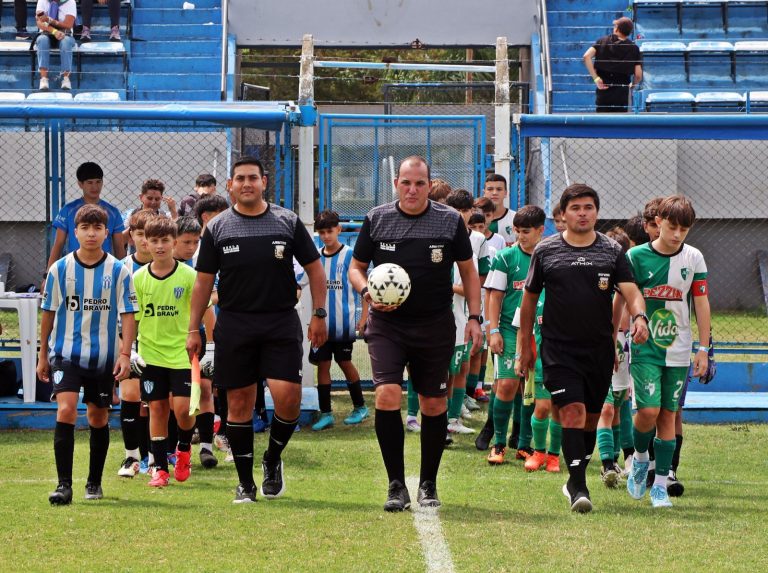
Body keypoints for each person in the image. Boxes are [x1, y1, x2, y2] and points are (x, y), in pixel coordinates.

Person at [187, 156, 327, 504]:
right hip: (235, 324)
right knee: (238, 403)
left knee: (289, 400)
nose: (246, 184)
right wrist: (193, 328)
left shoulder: (287, 221)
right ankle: (245, 482)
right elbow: (203, 284)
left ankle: (272, 458)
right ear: (231, 185)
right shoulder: (217, 228)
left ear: (264, 182)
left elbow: (315, 270)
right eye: (240, 179)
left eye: (253, 178)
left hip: (280, 321)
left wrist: (319, 314)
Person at [348, 155, 483, 511]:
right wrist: (367, 293)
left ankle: (427, 483)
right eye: (406, 183)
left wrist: (474, 317)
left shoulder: (449, 221)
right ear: (396, 185)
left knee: (434, 403)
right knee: (388, 396)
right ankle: (395, 484)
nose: (412, 189)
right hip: (387, 326)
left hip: (435, 325)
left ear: (428, 185)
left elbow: (469, 273)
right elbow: (356, 268)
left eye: (419, 183)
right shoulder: (377, 219)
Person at [517, 183, 649, 513]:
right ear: (563, 214)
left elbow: (631, 291)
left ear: (597, 213)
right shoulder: (546, 251)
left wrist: (640, 316)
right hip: (559, 350)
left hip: (599, 350)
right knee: (572, 411)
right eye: (575, 208)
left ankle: (575, 476)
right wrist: (525, 348)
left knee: (590, 419)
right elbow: (529, 300)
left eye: (588, 207)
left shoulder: (611, 251)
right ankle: (578, 485)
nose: (582, 213)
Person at [37, 204, 138, 505]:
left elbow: (129, 314)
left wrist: (124, 354)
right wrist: (43, 353)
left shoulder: (119, 271)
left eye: (97, 229)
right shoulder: (60, 269)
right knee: (66, 410)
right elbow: (48, 312)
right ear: (75, 233)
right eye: (85, 228)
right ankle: (63, 485)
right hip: (66, 354)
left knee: (97, 416)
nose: (91, 234)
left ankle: (93, 483)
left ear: (107, 233)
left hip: (104, 358)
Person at [625, 195, 710, 509]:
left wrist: (703, 348)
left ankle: (660, 484)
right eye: (672, 227)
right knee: (647, 411)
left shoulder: (694, 258)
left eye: (683, 230)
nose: (677, 235)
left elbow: (701, 303)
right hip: (645, 347)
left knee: (668, 415)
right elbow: (622, 300)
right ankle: (639, 458)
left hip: (679, 349)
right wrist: (614, 336)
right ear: (657, 221)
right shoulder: (635, 257)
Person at [133, 217, 198, 488]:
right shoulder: (138, 278)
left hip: (181, 354)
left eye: (165, 241)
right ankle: (160, 469)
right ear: (145, 243)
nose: (159, 246)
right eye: (154, 241)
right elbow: (133, 318)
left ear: (174, 242)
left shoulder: (189, 276)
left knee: (183, 411)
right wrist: (132, 350)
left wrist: (211, 348)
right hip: (151, 354)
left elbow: (204, 312)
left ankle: (183, 450)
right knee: (157, 409)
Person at [484, 206, 545, 465]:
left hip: (539, 332)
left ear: (541, 230)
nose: (521, 236)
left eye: (527, 231)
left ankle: (524, 444)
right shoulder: (506, 257)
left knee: (531, 389)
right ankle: (498, 444)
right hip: (509, 330)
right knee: (507, 385)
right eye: (518, 231)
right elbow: (495, 296)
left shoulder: (549, 257)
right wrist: (493, 330)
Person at [310, 210, 369, 431]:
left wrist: (363, 317)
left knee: (345, 363)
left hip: (343, 325)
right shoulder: (316, 258)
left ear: (339, 229)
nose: (326, 236)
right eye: (322, 232)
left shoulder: (350, 256)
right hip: (321, 326)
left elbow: (364, 288)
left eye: (330, 231)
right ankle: (326, 414)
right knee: (322, 365)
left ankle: (360, 407)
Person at [173, 216, 219, 469]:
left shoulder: (201, 268)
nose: (191, 247)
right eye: (186, 242)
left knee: (203, 387)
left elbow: (208, 310)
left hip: (197, 337)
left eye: (195, 241)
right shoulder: (161, 268)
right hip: (168, 340)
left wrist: (211, 346)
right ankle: (174, 449)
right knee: (173, 397)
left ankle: (206, 448)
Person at [444, 190, 490, 438]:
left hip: (462, 315)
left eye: (466, 210)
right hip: (441, 316)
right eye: (457, 210)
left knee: (460, 368)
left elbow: (479, 279)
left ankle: (452, 417)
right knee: (442, 372)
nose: (462, 215)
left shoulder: (476, 242)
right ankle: (435, 419)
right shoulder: (438, 235)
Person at [116, 209, 156, 478]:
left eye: (150, 235)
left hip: (160, 342)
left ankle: (154, 458)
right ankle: (131, 457)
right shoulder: (121, 268)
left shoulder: (169, 265)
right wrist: (123, 348)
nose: (145, 240)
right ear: (131, 236)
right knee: (130, 395)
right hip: (129, 341)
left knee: (154, 401)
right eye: (139, 234)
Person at [596, 227, 632, 488]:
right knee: (607, 407)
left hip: (625, 349)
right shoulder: (596, 279)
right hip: (601, 347)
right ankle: (607, 463)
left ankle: (622, 457)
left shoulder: (628, 281)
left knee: (619, 406)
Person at [46, 162, 126, 274]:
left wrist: (122, 274)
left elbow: (119, 247)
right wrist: (47, 275)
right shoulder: (68, 210)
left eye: (98, 182)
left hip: (105, 270)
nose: (95, 187)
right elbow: (58, 244)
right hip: (74, 269)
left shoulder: (113, 212)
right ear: (80, 184)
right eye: (90, 183)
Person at [583, 16, 642, 113]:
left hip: (603, 88)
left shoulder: (602, 41)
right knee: (620, 124)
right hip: (622, 91)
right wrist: (633, 84)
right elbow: (638, 75)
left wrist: (596, 78)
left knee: (602, 122)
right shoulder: (634, 48)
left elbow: (586, 56)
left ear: (617, 28)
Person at [121, 179, 178, 250]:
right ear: (141, 197)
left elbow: (178, 237)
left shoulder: (166, 216)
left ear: (161, 199)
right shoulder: (130, 215)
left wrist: (173, 212)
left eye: (157, 199)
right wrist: (137, 224)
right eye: (149, 198)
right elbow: (120, 240)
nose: (153, 202)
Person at [34, 0, 77, 91]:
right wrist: (54, 31)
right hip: (47, 33)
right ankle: (44, 79)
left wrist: (49, 20)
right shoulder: (42, 1)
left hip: (66, 34)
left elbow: (68, 24)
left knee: (65, 42)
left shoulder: (70, 2)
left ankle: (66, 79)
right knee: (42, 40)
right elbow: (40, 22)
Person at [482, 174, 516, 246]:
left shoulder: (515, 218)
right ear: (484, 192)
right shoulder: (474, 218)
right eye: (490, 189)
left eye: (499, 189)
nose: (495, 193)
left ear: (506, 193)